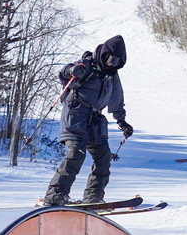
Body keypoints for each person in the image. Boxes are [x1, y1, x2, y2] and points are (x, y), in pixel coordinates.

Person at [43, 35, 133, 206]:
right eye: (111, 59)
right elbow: (64, 74)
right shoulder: (87, 64)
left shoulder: (112, 75)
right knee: (76, 154)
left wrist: (122, 122)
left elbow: (116, 100)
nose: (111, 64)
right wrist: (72, 71)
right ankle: (55, 195)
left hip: (95, 121)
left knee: (104, 157)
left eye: (117, 62)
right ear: (104, 54)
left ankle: (94, 197)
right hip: (76, 116)